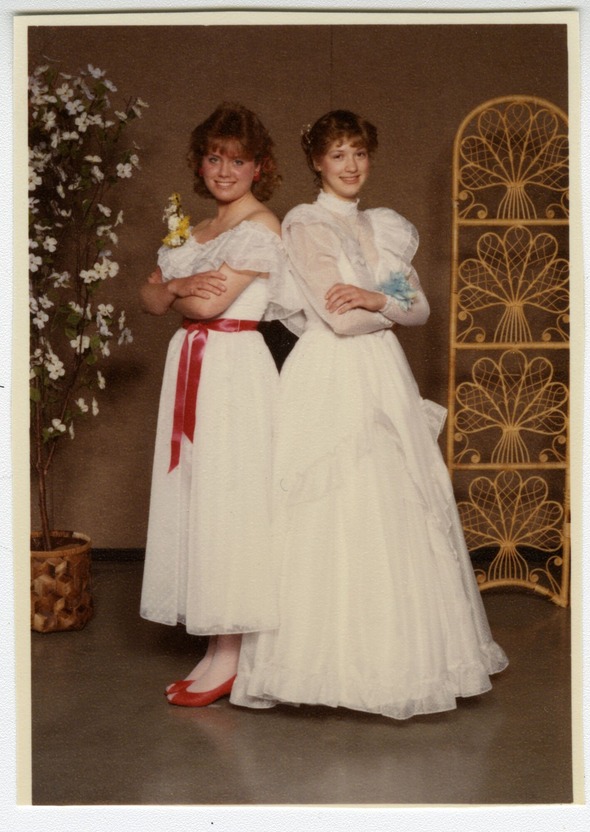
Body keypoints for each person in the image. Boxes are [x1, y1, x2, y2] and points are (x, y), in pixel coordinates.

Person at [231, 109, 508, 720]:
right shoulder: (305, 226)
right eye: (338, 155)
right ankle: (321, 667)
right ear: (317, 163)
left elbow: (420, 309)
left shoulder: (384, 226)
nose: (351, 165)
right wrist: (387, 304)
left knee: (396, 504)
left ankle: (399, 662)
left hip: (383, 373)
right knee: (331, 507)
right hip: (331, 373)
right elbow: (339, 318)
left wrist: (379, 297)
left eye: (359, 152)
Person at [139, 102, 286, 707]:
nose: (224, 170)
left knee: (230, 500)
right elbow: (150, 298)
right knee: (197, 492)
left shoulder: (261, 229)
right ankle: (215, 643)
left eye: (239, 160)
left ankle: (232, 652)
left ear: (259, 168)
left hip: (231, 371)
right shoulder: (197, 231)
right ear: (201, 163)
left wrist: (172, 293)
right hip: (192, 368)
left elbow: (208, 310)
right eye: (214, 157)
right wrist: (173, 286)